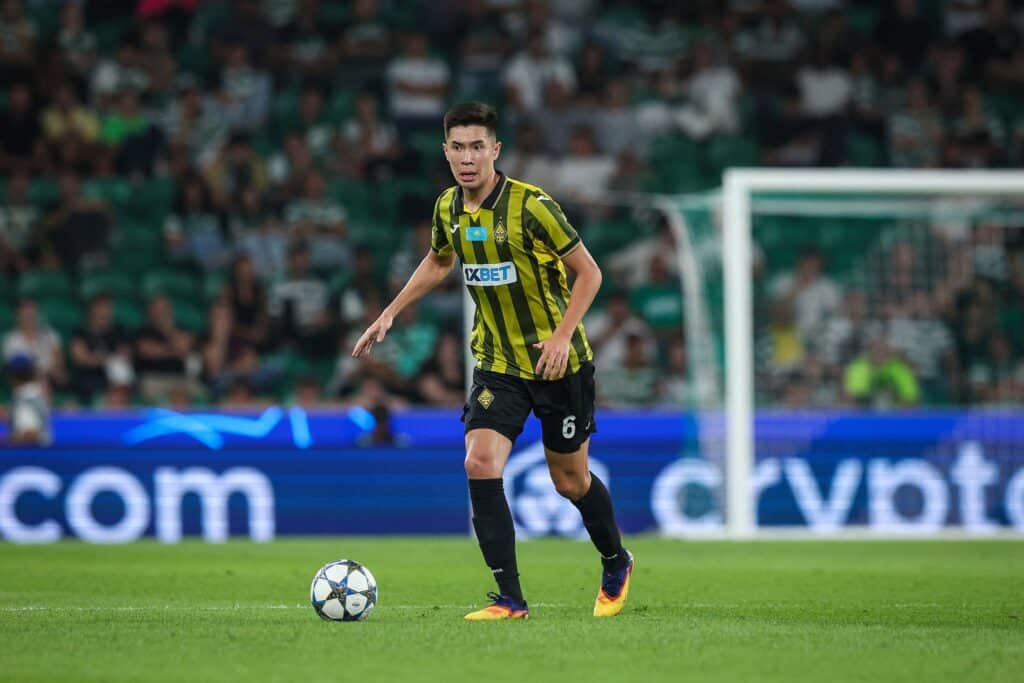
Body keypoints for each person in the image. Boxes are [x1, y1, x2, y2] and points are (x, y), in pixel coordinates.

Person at [352, 102, 633, 620]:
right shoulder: (446, 209)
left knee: (570, 481)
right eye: (457, 147)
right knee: (479, 462)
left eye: (477, 146)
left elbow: (589, 273)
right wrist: (389, 312)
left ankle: (616, 561)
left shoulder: (532, 206)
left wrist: (561, 335)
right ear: (445, 152)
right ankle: (510, 599)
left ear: (495, 151)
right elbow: (439, 260)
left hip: (558, 364)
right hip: (498, 364)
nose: (467, 157)